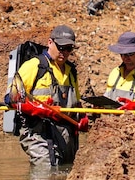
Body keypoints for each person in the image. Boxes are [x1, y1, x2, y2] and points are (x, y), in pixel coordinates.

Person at [14, 25, 88, 166]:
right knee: (46, 173)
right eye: (60, 47)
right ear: (50, 42)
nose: (64, 52)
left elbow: (77, 103)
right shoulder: (34, 66)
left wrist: (82, 117)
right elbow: (11, 99)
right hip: (39, 135)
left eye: (68, 49)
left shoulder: (71, 71)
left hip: (67, 137)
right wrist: (39, 110)